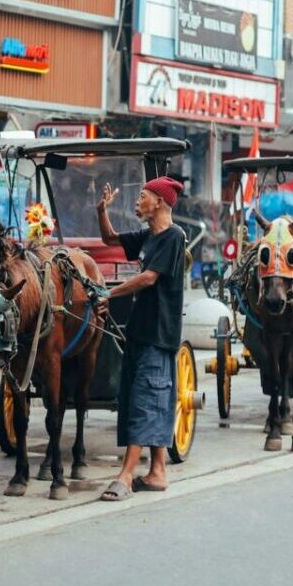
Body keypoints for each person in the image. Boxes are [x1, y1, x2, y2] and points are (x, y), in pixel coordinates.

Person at [95, 175, 188, 501]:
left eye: (144, 196)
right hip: (139, 331)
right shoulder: (147, 237)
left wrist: (111, 292)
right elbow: (109, 239)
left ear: (160, 202)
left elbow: (148, 278)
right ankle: (157, 472)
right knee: (145, 399)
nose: (137, 202)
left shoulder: (173, 237)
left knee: (146, 400)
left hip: (159, 334)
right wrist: (101, 210)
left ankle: (126, 475)